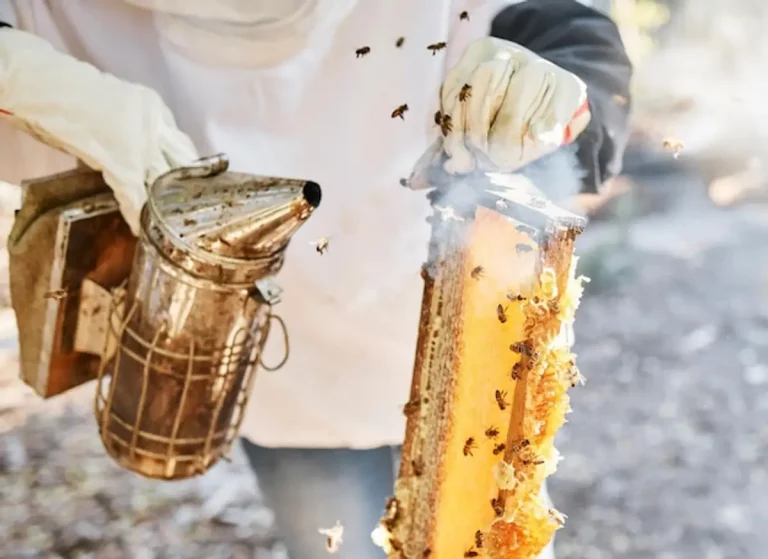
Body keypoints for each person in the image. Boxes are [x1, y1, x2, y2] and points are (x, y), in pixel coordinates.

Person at [0, 1, 631, 557]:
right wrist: (44, 86)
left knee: (492, 527)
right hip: (273, 352)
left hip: (450, 295)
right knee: (335, 541)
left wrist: (561, 79)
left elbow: (566, 25)